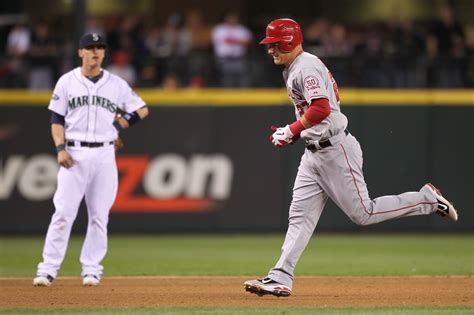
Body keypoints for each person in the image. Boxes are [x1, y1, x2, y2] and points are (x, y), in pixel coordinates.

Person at [244, 18, 458, 297]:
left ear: (287, 40)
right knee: (299, 217)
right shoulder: (295, 67)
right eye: (269, 45)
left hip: (335, 150)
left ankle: (426, 200)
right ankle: (281, 276)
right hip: (314, 153)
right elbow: (319, 111)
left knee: (364, 213)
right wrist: (295, 133)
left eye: (274, 44)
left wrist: (293, 129)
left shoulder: (305, 66)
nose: (270, 50)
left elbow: (321, 108)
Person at [33, 33, 149, 287]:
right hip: (73, 154)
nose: (95, 51)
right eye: (90, 47)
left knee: (99, 215)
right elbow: (56, 120)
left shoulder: (115, 84)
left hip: (105, 154)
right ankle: (48, 269)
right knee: (63, 213)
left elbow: (141, 108)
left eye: (100, 47)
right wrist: (60, 148)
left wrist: (119, 124)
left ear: (104, 53)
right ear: (80, 52)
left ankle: (92, 269)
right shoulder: (67, 82)